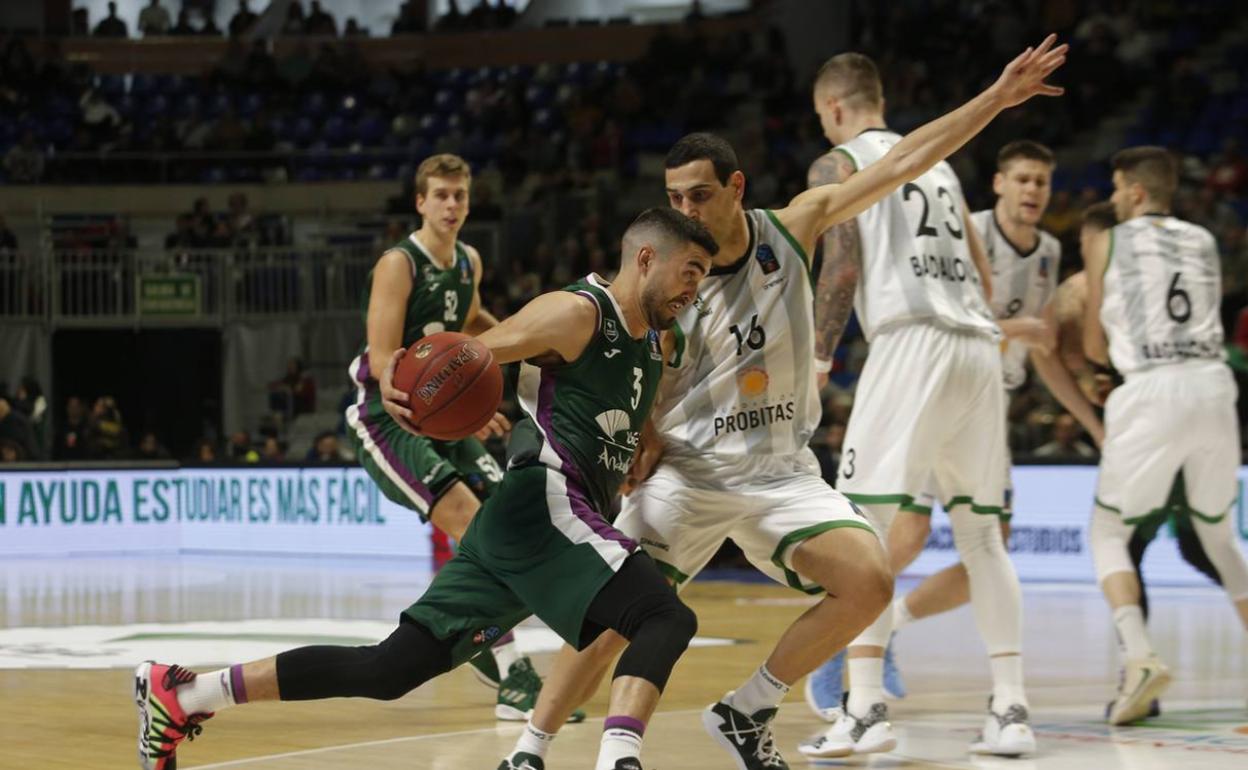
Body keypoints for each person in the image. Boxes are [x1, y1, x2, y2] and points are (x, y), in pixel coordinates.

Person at [500, 36, 1068, 770]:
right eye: (672, 199)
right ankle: (530, 747)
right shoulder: (665, 272)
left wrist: (997, 96)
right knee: (614, 615)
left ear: (736, 188)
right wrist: (638, 433)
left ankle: (749, 707)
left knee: (869, 579)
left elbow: (901, 161)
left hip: (782, 475)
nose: (684, 211)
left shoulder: (793, 228)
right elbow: (628, 357)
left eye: (698, 195)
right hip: (693, 473)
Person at [134, 207, 718, 770]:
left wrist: (645, 437)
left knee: (389, 670)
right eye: (688, 271)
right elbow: (474, 353)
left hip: (521, 529)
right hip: (545, 505)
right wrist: (405, 378)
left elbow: (617, 399)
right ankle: (620, 759)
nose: (695, 288)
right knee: (662, 617)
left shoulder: (648, 340)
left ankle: (185, 695)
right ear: (645, 258)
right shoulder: (576, 313)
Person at [800, 47, 1068, 760]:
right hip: (976, 347)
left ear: (832, 110)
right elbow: (983, 274)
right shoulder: (942, 164)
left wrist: (821, 359)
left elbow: (844, 261)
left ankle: (863, 709)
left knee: (860, 530)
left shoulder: (840, 163)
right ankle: (1011, 711)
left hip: (912, 343)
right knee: (982, 538)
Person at [847, 141, 1105, 698]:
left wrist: (1089, 420)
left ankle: (884, 627)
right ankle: (846, 640)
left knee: (990, 551)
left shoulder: (1048, 252)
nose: (1034, 191)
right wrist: (1017, 331)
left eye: (1042, 181)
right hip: (939, 384)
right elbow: (953, 316)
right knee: (907, 534)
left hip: (988, 405)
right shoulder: (966, 229)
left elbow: (1044, 354)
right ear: (999, 185)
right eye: (1024, 180)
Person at [341, 152, 561, 721]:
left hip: (438, 417)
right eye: (440, 195)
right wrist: (437, 404)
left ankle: (484, 645)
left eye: (460, 195)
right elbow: (386, 354)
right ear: (420, 201)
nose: (451, 205)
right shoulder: (399, 263)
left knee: (508, 519)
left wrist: (532, 344)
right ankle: (511, 672)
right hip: (388, 417)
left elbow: (472, 327)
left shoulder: (469, 260)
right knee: (469, 520)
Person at [1083, 146, 1248, 725]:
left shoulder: (1110, 241)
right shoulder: (1203, 239)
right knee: (1220, 539)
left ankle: (1140, 655)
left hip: (1152, 391)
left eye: (1113, 188)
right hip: (1213, 386)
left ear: (1132, 191)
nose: (1110, 198)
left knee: (1107, 532)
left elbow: (1095, 347)